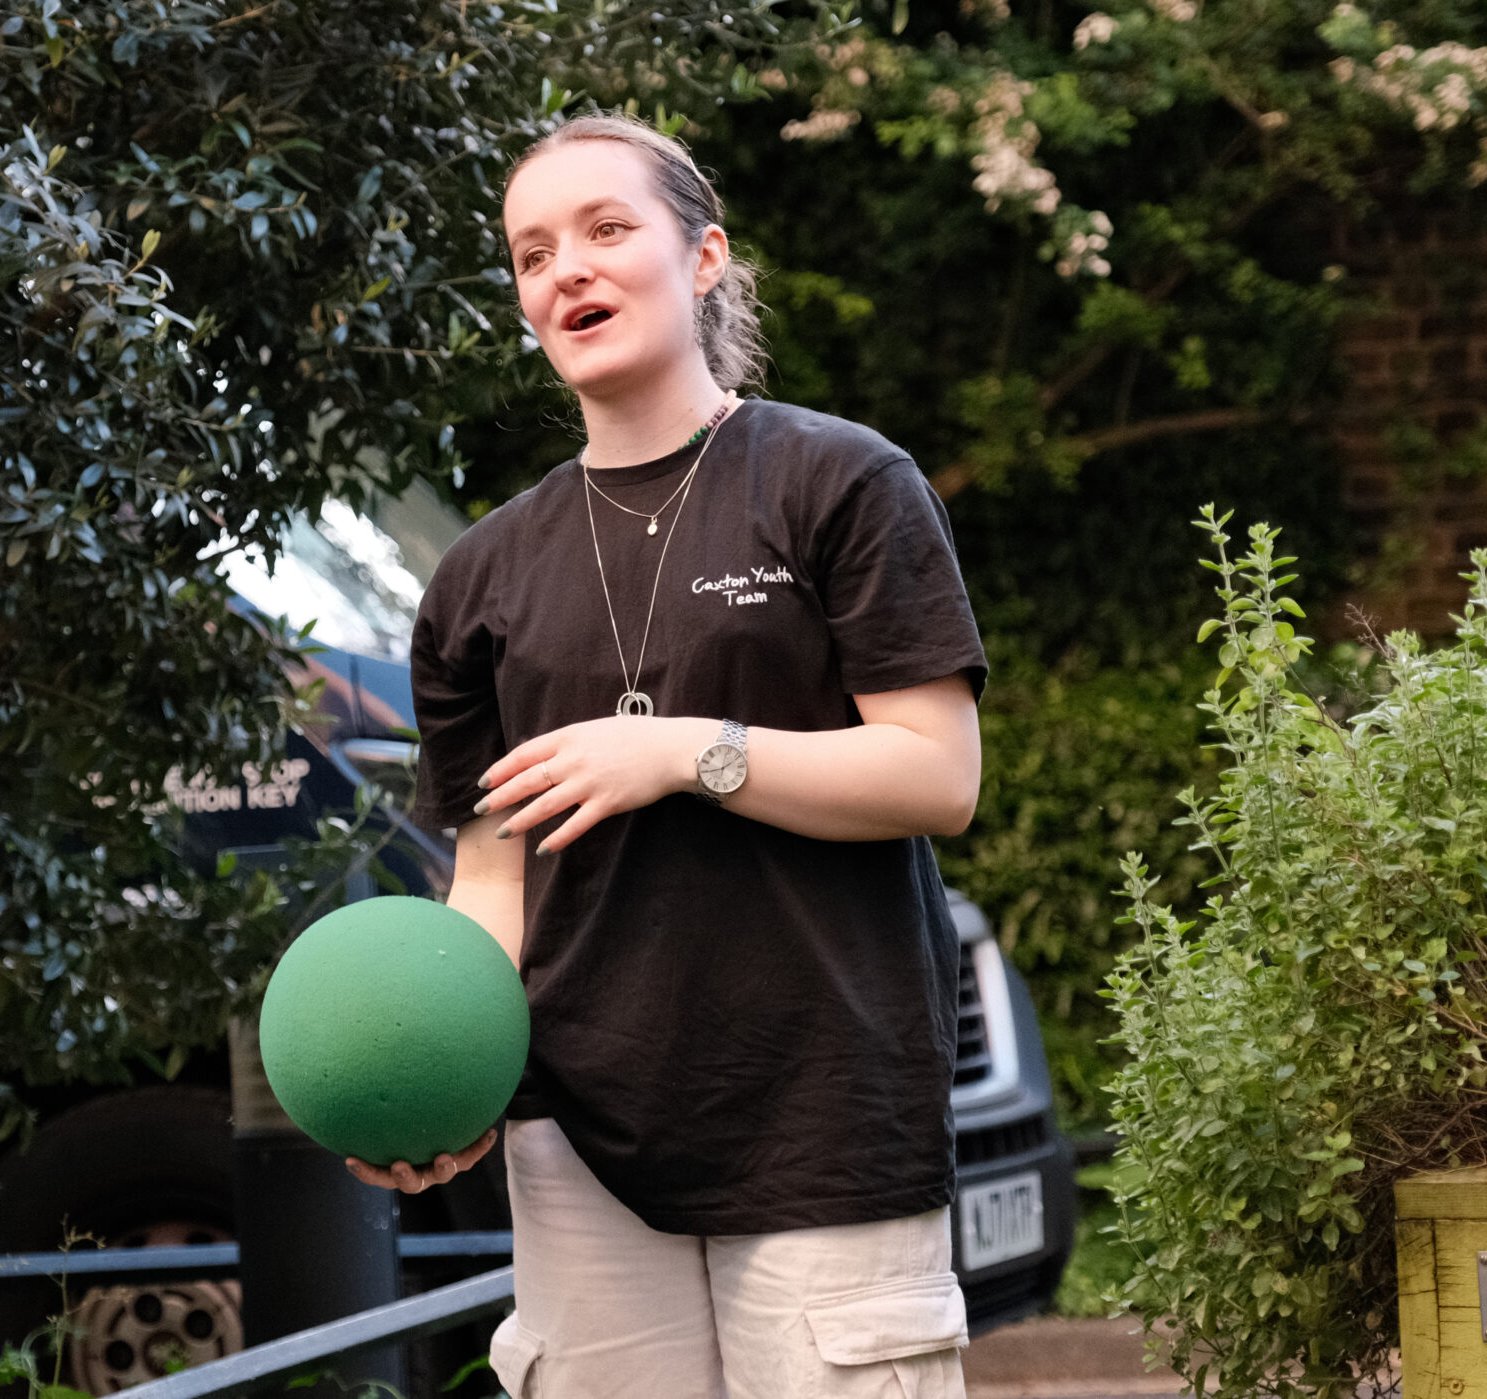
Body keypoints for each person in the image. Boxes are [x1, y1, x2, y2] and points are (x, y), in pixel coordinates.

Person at [348, 112, 987, 1398]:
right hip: (573, 1140)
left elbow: (936, 774)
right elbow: (491, 880)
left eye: (605, 230)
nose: (565, 270)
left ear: (702, 259)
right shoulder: (476, 578)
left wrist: (692, 752)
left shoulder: (839, 483)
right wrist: (437, 1080)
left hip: (820, 1114)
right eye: (533, 253)